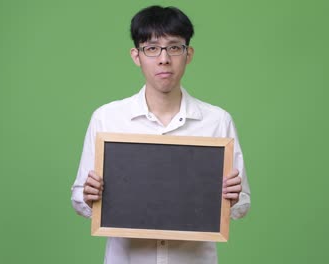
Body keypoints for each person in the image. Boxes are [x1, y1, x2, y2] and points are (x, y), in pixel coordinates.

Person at [71, 5, 251, 264]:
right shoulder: (107, 118)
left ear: (188, 54)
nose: (164, 58)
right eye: (152, 48)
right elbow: (80, 197)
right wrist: (89, 196)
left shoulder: (217, 121)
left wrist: (233, 199)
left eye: (174, 47)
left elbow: (242, 202)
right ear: (136, 55)